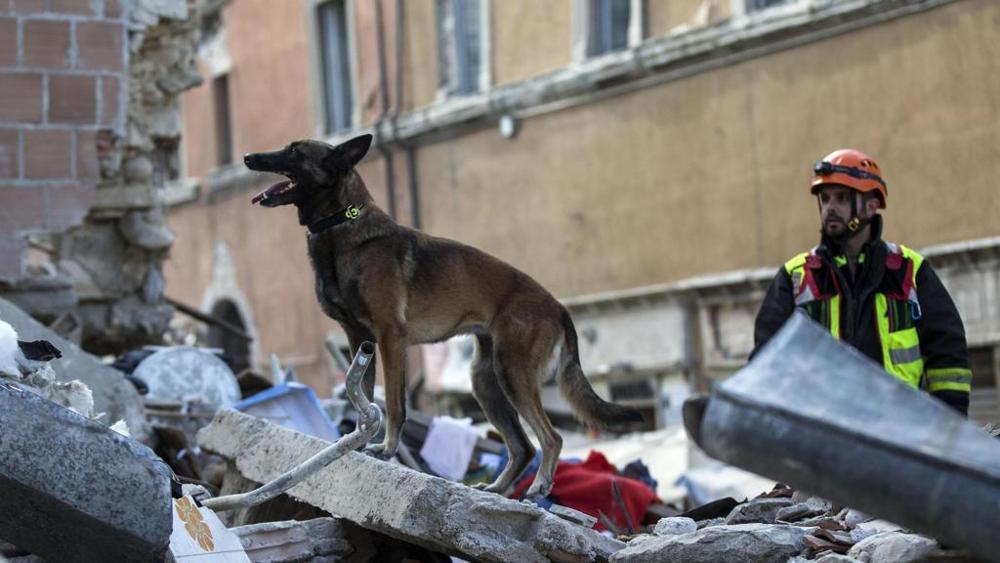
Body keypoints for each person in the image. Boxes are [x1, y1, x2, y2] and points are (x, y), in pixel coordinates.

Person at [752, 149, 972, 416]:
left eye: (842, 198)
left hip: (901, 432)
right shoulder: (796, 277)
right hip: (824, 432)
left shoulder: (910, 271)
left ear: (871, 204)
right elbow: (767, 362)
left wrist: (949, 427)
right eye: (825, 198)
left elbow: (948, 354)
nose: (830, 207)